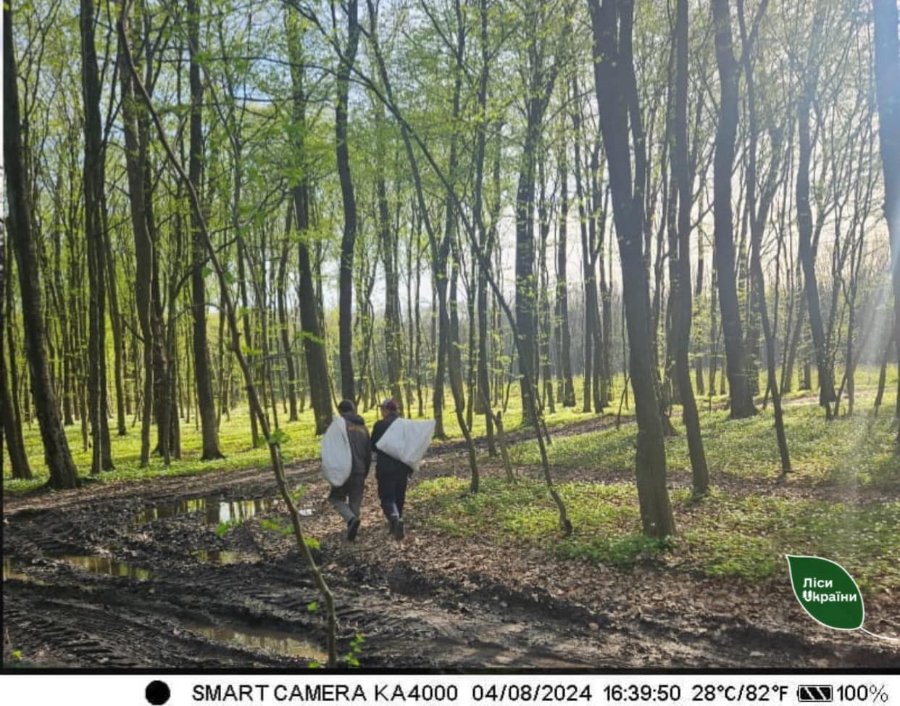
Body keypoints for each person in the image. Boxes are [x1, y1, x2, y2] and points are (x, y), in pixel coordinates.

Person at [328, 399, 371, 541]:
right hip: (360, 470)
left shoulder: (338, 427)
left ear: (340, 411)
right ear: (353, 410)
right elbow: (368, 453)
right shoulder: (363, 428)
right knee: (355, 500)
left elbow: (331, 450)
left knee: (335, 498)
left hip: (343, 470)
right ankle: (353, 529)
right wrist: (365, 471)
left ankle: (351, 519)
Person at [370, 398, 413, 540]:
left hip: (385, 468)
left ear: (387, 410)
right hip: (403, 467)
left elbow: (373, 446)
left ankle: (394, 518)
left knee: (387, 498)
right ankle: (397, 524)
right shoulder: (405, 425)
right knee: (399, 497)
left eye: (382, 409)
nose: (381, 411)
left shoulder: (380, 425)